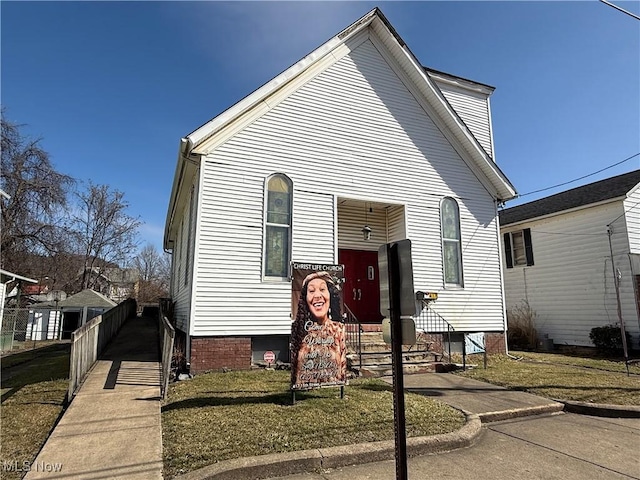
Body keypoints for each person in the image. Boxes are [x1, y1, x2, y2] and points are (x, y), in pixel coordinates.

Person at [291, 271, 346, 390]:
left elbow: (342, 368)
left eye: (322, 289)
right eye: (311, 291)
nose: (317, 295)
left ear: (330, 294)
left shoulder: (339, 330)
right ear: (305, 299)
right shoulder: (300, 331)